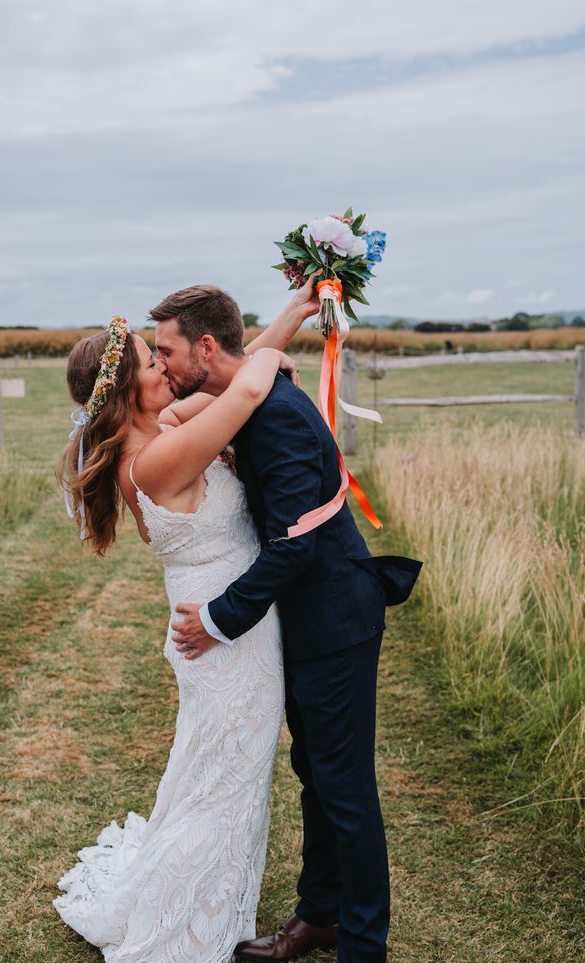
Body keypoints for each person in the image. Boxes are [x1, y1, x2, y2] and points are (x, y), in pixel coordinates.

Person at [53, 278, 320, 963]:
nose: (164, 367)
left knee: (216, 772)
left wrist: (291, 315)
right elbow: (245, 392)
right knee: (223, 779)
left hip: (223, 624)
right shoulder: (157, 459)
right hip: (223, 633)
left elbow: (227, 375)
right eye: (151, 363)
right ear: (126, 392)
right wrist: (268, 364)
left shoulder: (166, 429)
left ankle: (205, 897)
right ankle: (186, 921)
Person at [156, 287, 422, 963]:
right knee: (317, 772)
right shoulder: (251, 391)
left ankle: (362, 945)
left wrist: (218, 618)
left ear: (205, 349)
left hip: (334, 619)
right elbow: (206, 400)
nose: (160, 365)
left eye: (167, 350)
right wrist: (284, 329)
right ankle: (319, 915)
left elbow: (296, 544)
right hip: (307, 622)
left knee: (346, 789)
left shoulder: (272, 412)